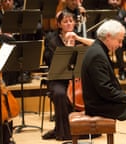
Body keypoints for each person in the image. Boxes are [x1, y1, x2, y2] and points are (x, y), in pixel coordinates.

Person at [42, 10, 94, 141]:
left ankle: (84, 129)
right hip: (57, 79)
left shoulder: (78, 37)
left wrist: (78, 39)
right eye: (65, 21)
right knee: (60, 94)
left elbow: (97, 46)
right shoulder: (51, 39)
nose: (69, 23)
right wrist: (68, 48)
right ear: (59, 24)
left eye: (71, 21)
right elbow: (49, 60)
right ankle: (63, 132)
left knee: (89, 91)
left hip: (76, 78)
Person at [108, 0, 126, 80]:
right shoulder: (107, 11)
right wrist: (122, 21)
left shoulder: (122, 11)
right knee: (118, 47)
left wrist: (118, 21)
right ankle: (122, 71)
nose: (115, 2)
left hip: (123, 36)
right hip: (110, 38)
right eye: (112, 0)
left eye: (117, 0)